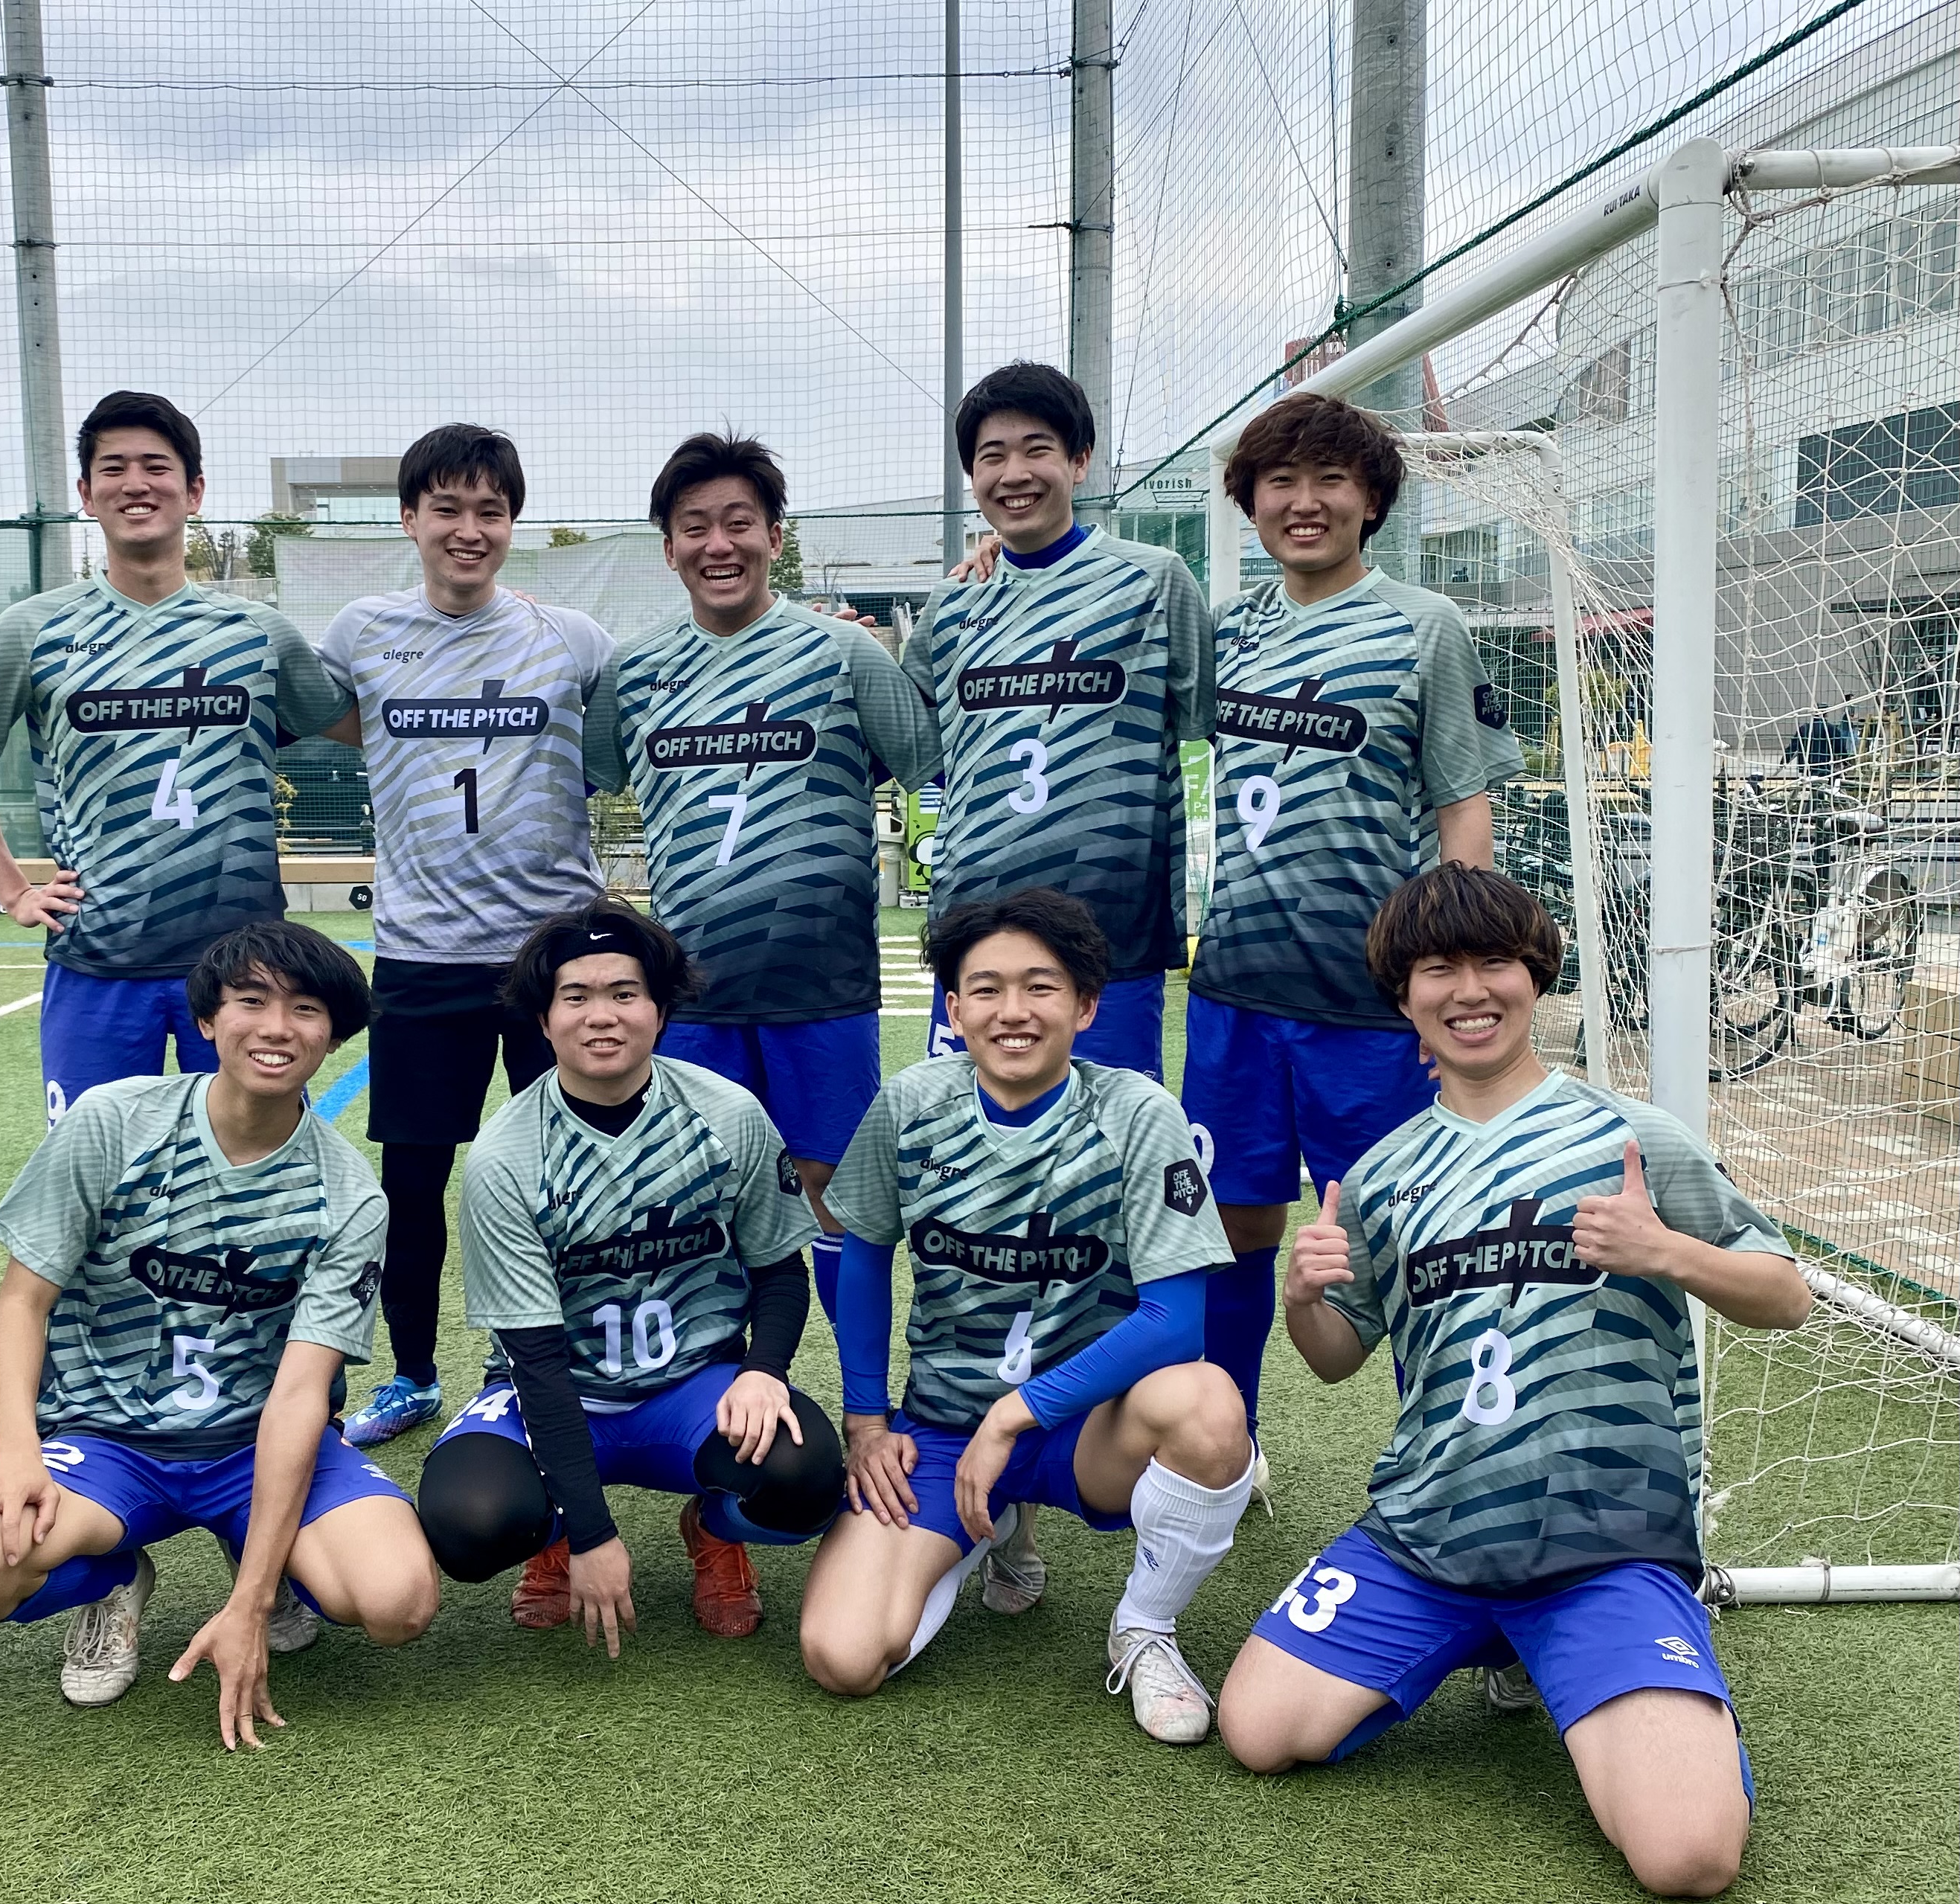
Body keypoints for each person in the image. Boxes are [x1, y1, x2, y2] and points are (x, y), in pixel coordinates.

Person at [1219, 865, 1807, 1896]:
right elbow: (1336, 1356)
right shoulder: (1384, 1174)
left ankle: (1612, 1668)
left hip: (1604, 1549)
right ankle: (1490, 1639)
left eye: (1494, 961)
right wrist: (1301, 1298)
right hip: (1428, 1538)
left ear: (1536, 976)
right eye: (1436, 970)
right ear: (1402, 996)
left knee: (1688, 1858)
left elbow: (1785, 1294)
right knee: (1258, 1732)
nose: (1469, 990)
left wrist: (1665, 1252)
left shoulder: (1631, 1138)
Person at [0, 920, 438, 1744]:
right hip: (106, 1438)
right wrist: (15, 1451)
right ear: (206, 1019)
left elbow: (299, 1395)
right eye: (251, 1002)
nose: (276, 1028)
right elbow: (22, 1303)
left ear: (335, 1035)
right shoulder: (111, 1122)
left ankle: (260, 1559)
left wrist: (251, 1605)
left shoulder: (348, 1197)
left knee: (397, 1601)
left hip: (249, 1445)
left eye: (305, 1009)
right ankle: (112, 1578)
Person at [799, 889, 1251, 1743]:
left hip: (1087, 1428)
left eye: (1040, 987)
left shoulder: (1135, 1112)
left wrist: (1015, 1413)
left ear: (1084, 1007)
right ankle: (993, 1522)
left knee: (1207, 1405)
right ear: (952, 1008)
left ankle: (1144, 1625)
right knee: (841, 1656)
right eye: (986, 988)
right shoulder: (910, 1102)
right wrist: (865, 1418)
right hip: (943, 1424)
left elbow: (1176, 1320)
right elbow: (862, 1253)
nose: (1012, 1011)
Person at [1184, 391, 1524, 1467]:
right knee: (1230, 1231)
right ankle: (1225, 1449)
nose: (1305, 502)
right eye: (1280, 481)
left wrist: (1456, 985)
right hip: (1235, 993)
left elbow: (1462, 807)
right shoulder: (1229, 630)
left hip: (1368, 1007)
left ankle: (1445, 1462)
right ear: (1249, 502)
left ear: (1370, 500)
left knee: (1402, 1236)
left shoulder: (1424, 626)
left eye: (1330, 479)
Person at [414, 897, 843, 1652]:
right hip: (557, 1390)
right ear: (544, 1019)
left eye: (623, 993)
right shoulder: (505, 1153)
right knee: (470, 1523)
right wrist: (590, 1534)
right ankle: (550, 1532)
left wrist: (764, 1370)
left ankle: (712, 1529)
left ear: (659, 1008)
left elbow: (779, 1269)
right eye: (575, 997)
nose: (601, 1016)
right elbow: (535, 1359)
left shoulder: (727, 1113)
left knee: (805, 1481)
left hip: (693, 1384)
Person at [586, 431, 936, 1344]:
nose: (718, 544)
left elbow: (928, 762)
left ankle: (864, 1404)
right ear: (668, 547)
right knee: (706, 1195)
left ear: (774, 538)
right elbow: (588, 776)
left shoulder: (843, 653)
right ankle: (723, 1401)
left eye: (738, 522)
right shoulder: (631, 671)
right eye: (694, 525)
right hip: (692, 989)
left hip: (822, 984)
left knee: (836, 1194)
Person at [0, 390, 348, 1123]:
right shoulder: (34, 629)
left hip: (244, 970)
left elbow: (366, 726)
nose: (135, 484)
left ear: (194, 491)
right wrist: (14, 892)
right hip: (96, 962)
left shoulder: (258, 633)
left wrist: (483, 615)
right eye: (113, 468)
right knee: (90, 1170)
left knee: (253, 1163)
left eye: (156, 467)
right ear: (86, 493)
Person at [314, 423, 615, 1450]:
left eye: (490, 510)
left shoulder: (570, 638)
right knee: (412, 1183)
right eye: (446, 507)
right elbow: (321, 711)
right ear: (410, 519)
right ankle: (410, 1374)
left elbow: (636, 727)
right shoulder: (361, 632)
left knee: (560, 1174)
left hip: (551, 957)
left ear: (512, 523)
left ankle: (535, 1359)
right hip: (420, 954)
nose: (468, 528)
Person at [904, 361, 1213, 1084]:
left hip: (1111, 933)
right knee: (966, 1135)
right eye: (991, 456)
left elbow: (1203, 718)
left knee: (1110, 1134)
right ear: (971, 476)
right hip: (974, 932)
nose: (1014, 473)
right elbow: (912, 742)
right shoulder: (951, 604)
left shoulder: (1154, 579)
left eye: (1036, 449)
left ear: (1078, 461)